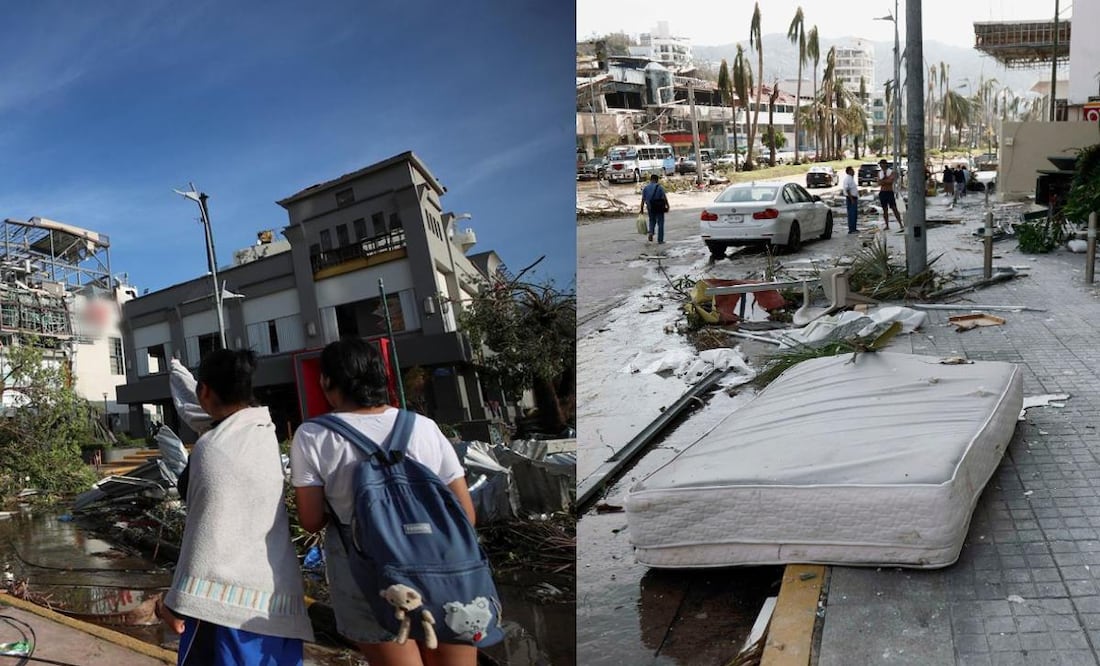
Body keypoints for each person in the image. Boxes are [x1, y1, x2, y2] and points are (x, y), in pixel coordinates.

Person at [290, 338, 477, 666]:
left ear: (326, 381)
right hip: (444, 568)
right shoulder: (424, 427)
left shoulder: (313, 435)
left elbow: (310, 519)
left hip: (367, 576)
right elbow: (465, 514)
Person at [157, 349, 313, 666]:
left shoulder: (210, 447)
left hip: (224, 609)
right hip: (275, 598)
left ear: (205, 391)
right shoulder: (263, 432)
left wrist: (175, 602)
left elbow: (205, 531)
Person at [639, 174, 667, 244]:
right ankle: (660, 240)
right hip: (659, 207)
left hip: (650, 207)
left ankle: (651, 232)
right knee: (660, 223)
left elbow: (643, 199)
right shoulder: (659, 187)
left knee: (652, 221)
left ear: (650, 179)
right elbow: (664, 197)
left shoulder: (646, 188)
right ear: (657, 180)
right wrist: (667, 205)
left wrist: (641, 209)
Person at [876, 159, 903, 232]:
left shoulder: (891, 172)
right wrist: (885, 180)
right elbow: (879, 182)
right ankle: (887, 225)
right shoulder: (880, 173)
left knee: (894, 208)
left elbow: (891, 181)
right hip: (882, 192)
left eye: (882, 164)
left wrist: (883, 181)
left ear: (885, 164)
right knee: (885, 209)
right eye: (880, 164)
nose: (881, 166)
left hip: (889, 192)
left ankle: (900, 223)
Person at [841, 166, 859, 234]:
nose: (854, 171)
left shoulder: (851, 178)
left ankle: (854, 228)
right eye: (852, 170)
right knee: (852, 214)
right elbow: (847, 189)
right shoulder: (848, 178)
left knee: (854, 214)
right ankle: (851, 229)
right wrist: (851, 199)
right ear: (849, 171)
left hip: (853, 197)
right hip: (851, 198)